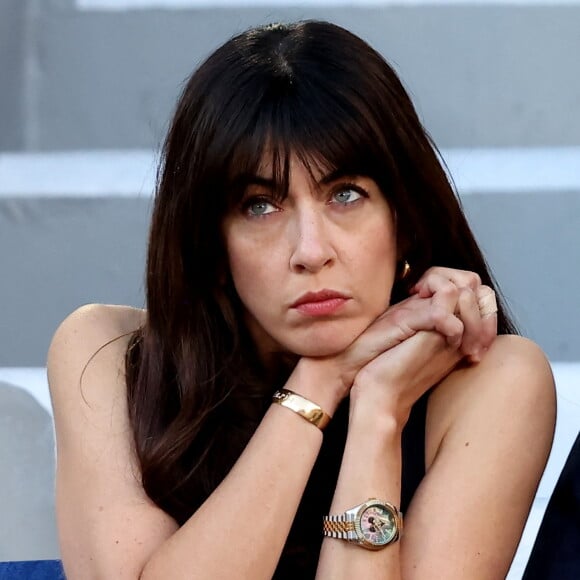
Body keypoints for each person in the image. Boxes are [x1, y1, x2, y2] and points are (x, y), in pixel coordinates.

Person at [47, 20, 556, 579]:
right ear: (211, 242)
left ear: (403, 221)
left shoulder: (493, 379)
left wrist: (379, 413)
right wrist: (321, 381)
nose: (311, 252)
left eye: (346, 195)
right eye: (260, 205)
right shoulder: (107, 355)